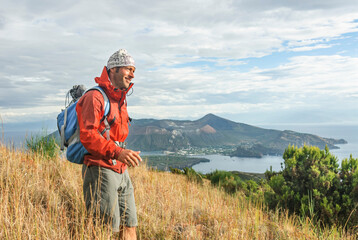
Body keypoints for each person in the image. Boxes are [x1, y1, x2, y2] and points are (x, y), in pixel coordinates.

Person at [77, 49, 142, 239]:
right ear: (113, 69)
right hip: (100, 169)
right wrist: (117, 152)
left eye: (134, 70)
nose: (132, 74)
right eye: (128, 69)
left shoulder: (120, 98)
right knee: (103, 229)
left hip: (121, 170)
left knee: (129, 226)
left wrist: (122, 155)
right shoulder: (95, 97)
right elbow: (88, 135)